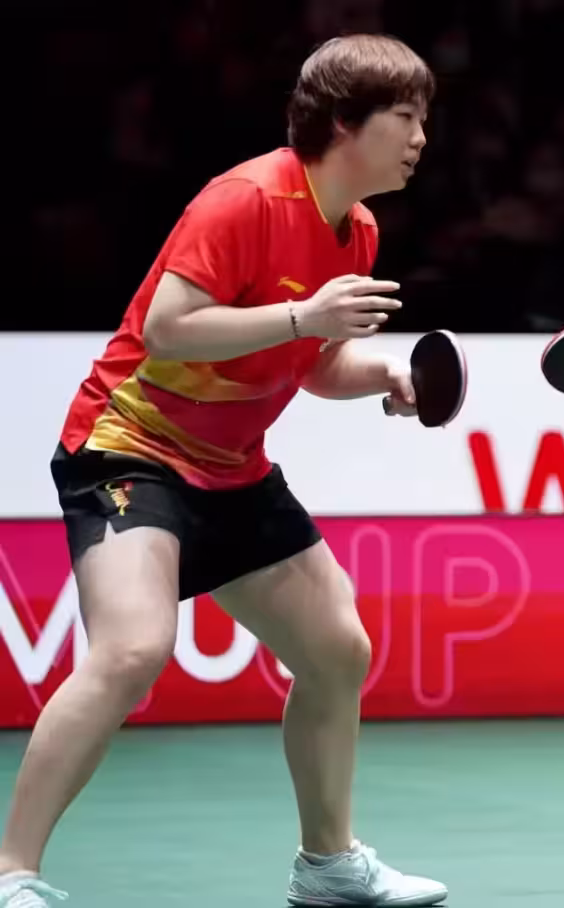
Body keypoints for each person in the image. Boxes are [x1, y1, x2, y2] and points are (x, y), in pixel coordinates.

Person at [0, 34, 448, 908]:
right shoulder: (245, 199)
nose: (420, 137)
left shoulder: (356, 230)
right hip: (130, 446)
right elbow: (169, 328)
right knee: (132, 649)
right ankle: (12, 870)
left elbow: (314, 365)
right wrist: (303, 317)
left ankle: (328, 866)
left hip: (233, 469)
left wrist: (387, 375)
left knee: (336, 649)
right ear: (344, 122)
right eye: (405, 116)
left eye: (422, 118)